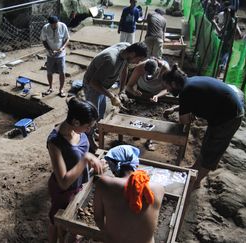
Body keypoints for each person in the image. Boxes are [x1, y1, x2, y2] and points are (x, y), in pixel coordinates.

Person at [162, 64, 244, 188]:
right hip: (223, 113)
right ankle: (194, 170)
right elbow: (192, 102)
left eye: (166, 87)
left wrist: (186, 116)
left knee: (212, 152)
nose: (167, 90)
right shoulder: (190, 83)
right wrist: (174, 109)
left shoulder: (186, 91)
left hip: (229, 118)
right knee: (206, 145)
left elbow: (184, 120)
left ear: (173, 83)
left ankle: (196, 182)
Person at [47, 97, 104, 243]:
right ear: (76, 122)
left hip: (79, 184)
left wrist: (92, 163)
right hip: (64, 191)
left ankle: (70, 236)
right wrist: (85, 159)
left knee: (71, 224)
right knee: (56, 221)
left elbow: (78, 157)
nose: (89, 130)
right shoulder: (55, 142)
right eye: (88, 126)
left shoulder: (77, 131)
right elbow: (63, 182)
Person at [83, 42, 148, 151]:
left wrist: (122, 90)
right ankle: (89, 141)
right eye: (138, 59)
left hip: (103, 84)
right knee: (92, 116)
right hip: (92, 86)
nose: (138, 62)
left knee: (100, 113)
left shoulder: (126, 49)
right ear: (132, 54)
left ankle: (93, 133)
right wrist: (112, 96)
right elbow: (93, 82)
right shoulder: (111, 60)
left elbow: (124, 69)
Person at [94, 145, 164, 243]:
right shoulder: (158, 188)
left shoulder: (104, 183)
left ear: (112, 166)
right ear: (136, 164)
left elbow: (98, 219)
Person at [40, 16, 70, 98]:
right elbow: (44, 40)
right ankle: (50, 88)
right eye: (52, 25)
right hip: (50, 54)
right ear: (49, 24)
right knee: (49, 71)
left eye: (55, 24)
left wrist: (62, 47)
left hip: (61, 54)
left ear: (58, 22)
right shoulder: (45, 28)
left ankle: (61, 89)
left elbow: (67, 39)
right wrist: (49, 50)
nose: (54, 26)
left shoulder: (63, 26)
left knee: (62, 72)